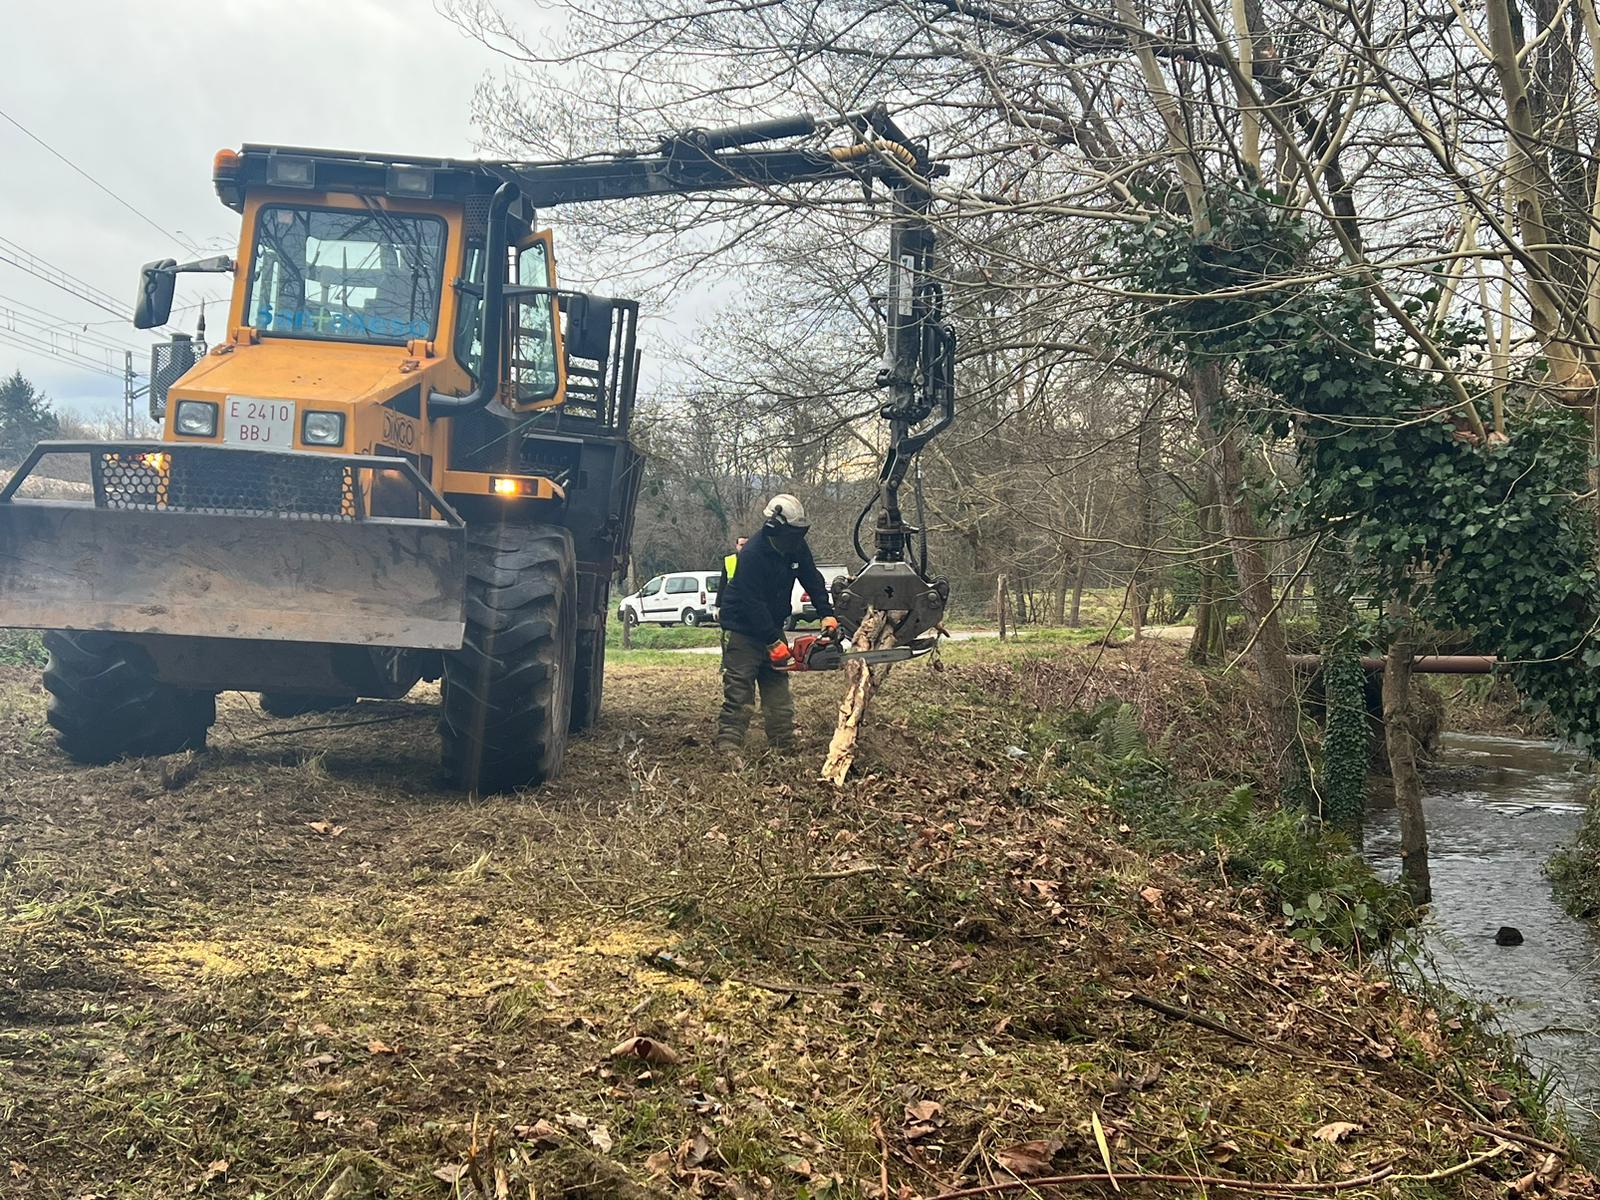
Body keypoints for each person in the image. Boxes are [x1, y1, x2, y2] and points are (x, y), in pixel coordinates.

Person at [715, 494, 838, 756]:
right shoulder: (753, 554)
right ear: (775, 527)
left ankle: (783, 744)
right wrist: (773, 642)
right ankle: (729, 744)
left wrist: (825, 613)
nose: (795, 539)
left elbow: (812, 579)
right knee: (739, 689)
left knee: (777, 690)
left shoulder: (796, 547)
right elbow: (752, 603)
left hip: (771, 622)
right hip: (743, 626)